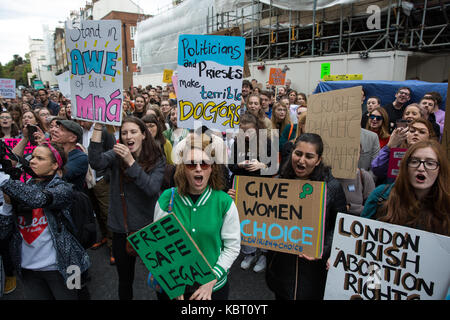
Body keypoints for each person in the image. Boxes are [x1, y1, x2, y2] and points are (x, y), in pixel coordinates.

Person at [153, 136, 240, 300]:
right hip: (173, 287)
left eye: (205, 163)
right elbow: (158, 243)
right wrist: (173, 279)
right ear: (183, 168)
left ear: (212, 168)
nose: (198, 168)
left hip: (213, 289)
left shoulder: (224, 202)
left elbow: (232, 247)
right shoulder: (166, 199)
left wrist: (211, 279)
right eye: (192, 164)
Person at [88, 116, 166, 300]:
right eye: (124, 133)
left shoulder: (157, 158)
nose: (128, 136)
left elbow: (151, 188)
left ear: (143, 135)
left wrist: (131, 162)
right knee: (125, 281)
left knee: (162, 280)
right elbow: (96, 162)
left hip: (150, 228)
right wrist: (98, 128)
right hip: (122, 229)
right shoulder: (116, 155)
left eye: (133, 132)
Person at [0, 142, 90, 299]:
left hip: (67, 266)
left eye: (40, 158)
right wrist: (8, 205)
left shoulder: (64, 189)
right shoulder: (20, 187)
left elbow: (38, 199)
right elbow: (3, 232)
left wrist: (3, 179)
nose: (33, 161)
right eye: (33, 157)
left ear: (55, 165)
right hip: (28, 269)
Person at [265, 133, 347, 299]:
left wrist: (322, 250)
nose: (301, 161)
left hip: (313, 267)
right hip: (281, 263)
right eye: (298, 153)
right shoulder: (280, 180)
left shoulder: (331, 186)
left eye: (309, 156)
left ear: (318, 160)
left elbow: (340, 226)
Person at [362, 139, 449, 237]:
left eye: (430, 163)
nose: (421, 168)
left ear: (440, 170)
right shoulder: (380, 195)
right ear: (406, 166)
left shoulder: (446, 205)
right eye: (414, 161)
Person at [228, 113, 274, 273]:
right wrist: (240, 165)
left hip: (263, 189)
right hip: (242, 188)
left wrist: (262, 165)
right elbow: (230, 166)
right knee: (244, 220)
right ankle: (249, 253)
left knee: (262, 221)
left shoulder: (268, 142)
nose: (246, 135)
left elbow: (275, 167)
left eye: (249, 131)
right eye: (243, 131)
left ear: (257, 129)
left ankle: (264, 255)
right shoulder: (237, 143)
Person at [79, 120, 116, 264]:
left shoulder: (105, 131)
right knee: (97, 211)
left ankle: (114, 247)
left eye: (84, 119)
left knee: (107, 213)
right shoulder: (80, 132)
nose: (81, 122)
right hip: (87, 179)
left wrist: (106, 177)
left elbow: (113, 152)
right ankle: (105, 237)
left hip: (101, 179)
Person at [371, 118, 437, 185]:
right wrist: (389, 146)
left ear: (430, 136)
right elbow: (377, 169)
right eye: (412, 131)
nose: (416, 133)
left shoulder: (434, 155)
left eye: (422, 132)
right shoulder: (396, 152)